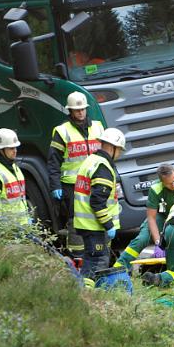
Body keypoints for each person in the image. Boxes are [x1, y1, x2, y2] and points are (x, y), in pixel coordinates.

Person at [48, 91, 106, 256]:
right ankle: (78, 257)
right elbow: (53, 162)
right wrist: (55, 186)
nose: (80, 112)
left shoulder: (98, 127)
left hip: (95, 183)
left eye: (82, 109)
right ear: (70, 111)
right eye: (76, 109)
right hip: (72, 186)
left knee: (98, 217)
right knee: (76, 222)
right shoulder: (61, 131)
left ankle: (101, 254)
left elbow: (106, 156)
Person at [114, 163, 174, 270]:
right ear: (162, 182)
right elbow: (151, 218)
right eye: (168, 184)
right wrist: (158, 243)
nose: (173, 185)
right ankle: (119, 266)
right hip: (162, 216)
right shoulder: (155, 189)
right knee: (142, 239)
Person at [73, 128, 126, 288]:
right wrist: (108, 225)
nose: (120, 155)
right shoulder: (103, 167)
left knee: (90, 259)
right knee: (96, 262)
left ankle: (85, 292)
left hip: (85, 223)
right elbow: (97, 201)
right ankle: (88, 297)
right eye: (119, 151)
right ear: (113, 147)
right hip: (94, 225)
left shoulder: (91, 160)